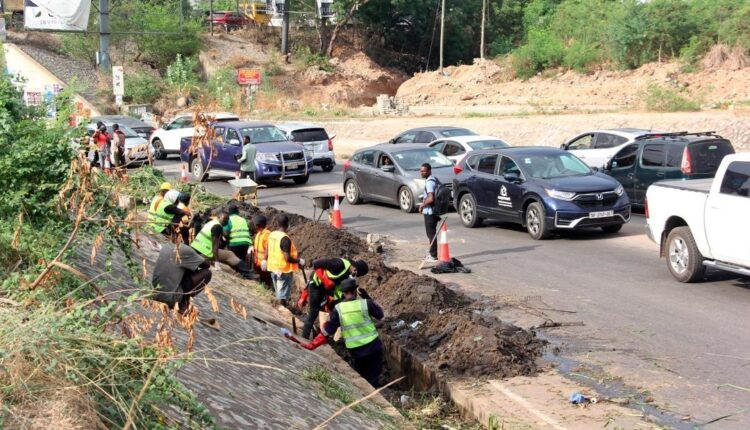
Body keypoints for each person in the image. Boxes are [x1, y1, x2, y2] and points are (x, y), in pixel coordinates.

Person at [299, 278, 384, 387]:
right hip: (373, 346)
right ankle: (375, 389)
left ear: (343, 293)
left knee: (362, 374)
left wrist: (312, 345)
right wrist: (368, 298)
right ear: (355, 291)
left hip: (356, 349)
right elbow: (380, 314)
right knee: (374, 374)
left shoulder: (339, 309)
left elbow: (327, 331)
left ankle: (367, 390)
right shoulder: (365, 303)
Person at [299, 258, 369, 340]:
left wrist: (339, 304)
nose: (355, 276)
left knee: (336, 313)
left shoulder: (347, 275)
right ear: (355, 269)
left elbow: (339, 290)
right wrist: (325, 280)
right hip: (316, 285)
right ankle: (304, 338)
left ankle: (323, 337)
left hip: (328, 288)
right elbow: (316, 264)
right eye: (357, 274)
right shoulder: (338, 263)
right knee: (313, 312)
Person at [190, 210, 255, 279]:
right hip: (205, 251)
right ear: (218, 217)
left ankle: (242, 272)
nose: (226, 221)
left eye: (227, 220)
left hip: (196, 249)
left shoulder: (211, 223)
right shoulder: (217, 227)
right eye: (224, 219)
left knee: (228, 255)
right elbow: (215, 245)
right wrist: (216, 262)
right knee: (229, 255)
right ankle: (247, 273)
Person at [152, 242, 212, 314]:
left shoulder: (166, 245)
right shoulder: (186, 250)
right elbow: (207, 265)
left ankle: (181, 300)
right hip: (170, 298)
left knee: (191, 265)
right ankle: (183, 302)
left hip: (155, 292)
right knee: (207, 273)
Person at [264, 214, 304, 306]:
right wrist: (299, 261)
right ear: (287, 224)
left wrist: (264, 260)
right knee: (282, 294)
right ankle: (282, 308)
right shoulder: (285, 239)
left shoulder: (272, 234)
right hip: (283, 270)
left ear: (277, 223)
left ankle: (281, 305)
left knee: (278, 290)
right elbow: (287, 258)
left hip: (272, 268)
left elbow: (267, 248)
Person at [418, 163, 440, 262]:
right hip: (433, 211)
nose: (422, 173)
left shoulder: (429, 182)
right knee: (431, 234)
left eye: (424, 171)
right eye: (421, 171)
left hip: (430, 212)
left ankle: (433, 255)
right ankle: (433, 254)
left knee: (431, 234)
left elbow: (431, 198)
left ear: (429, 171)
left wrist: (422, 205)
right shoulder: (433, 179)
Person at [252, 214, 272, 287]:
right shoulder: (259, 234)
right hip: (258, 264)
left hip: (264, 264)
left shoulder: (267, 234)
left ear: (258, 225)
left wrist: (264, 260)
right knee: (261, 281)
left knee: (266, 281)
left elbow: (268, 247)